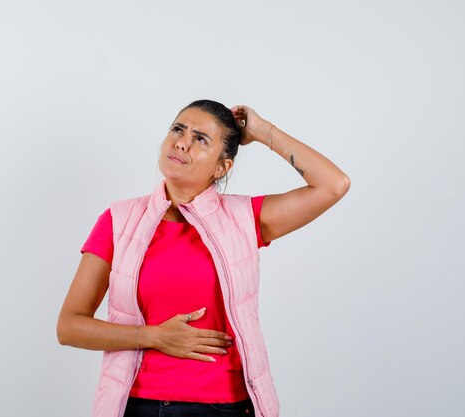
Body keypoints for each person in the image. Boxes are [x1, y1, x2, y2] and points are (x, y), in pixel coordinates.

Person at [57, 99, 350, 417]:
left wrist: (263, 131)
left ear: (222, 167)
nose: (182, 142)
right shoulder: (118, 220)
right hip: (142, 406)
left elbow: (333, 185)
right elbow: (70, 326)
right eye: (178, 129)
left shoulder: (245, 218)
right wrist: (155, 337)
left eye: (200, 139)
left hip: (228, 407)